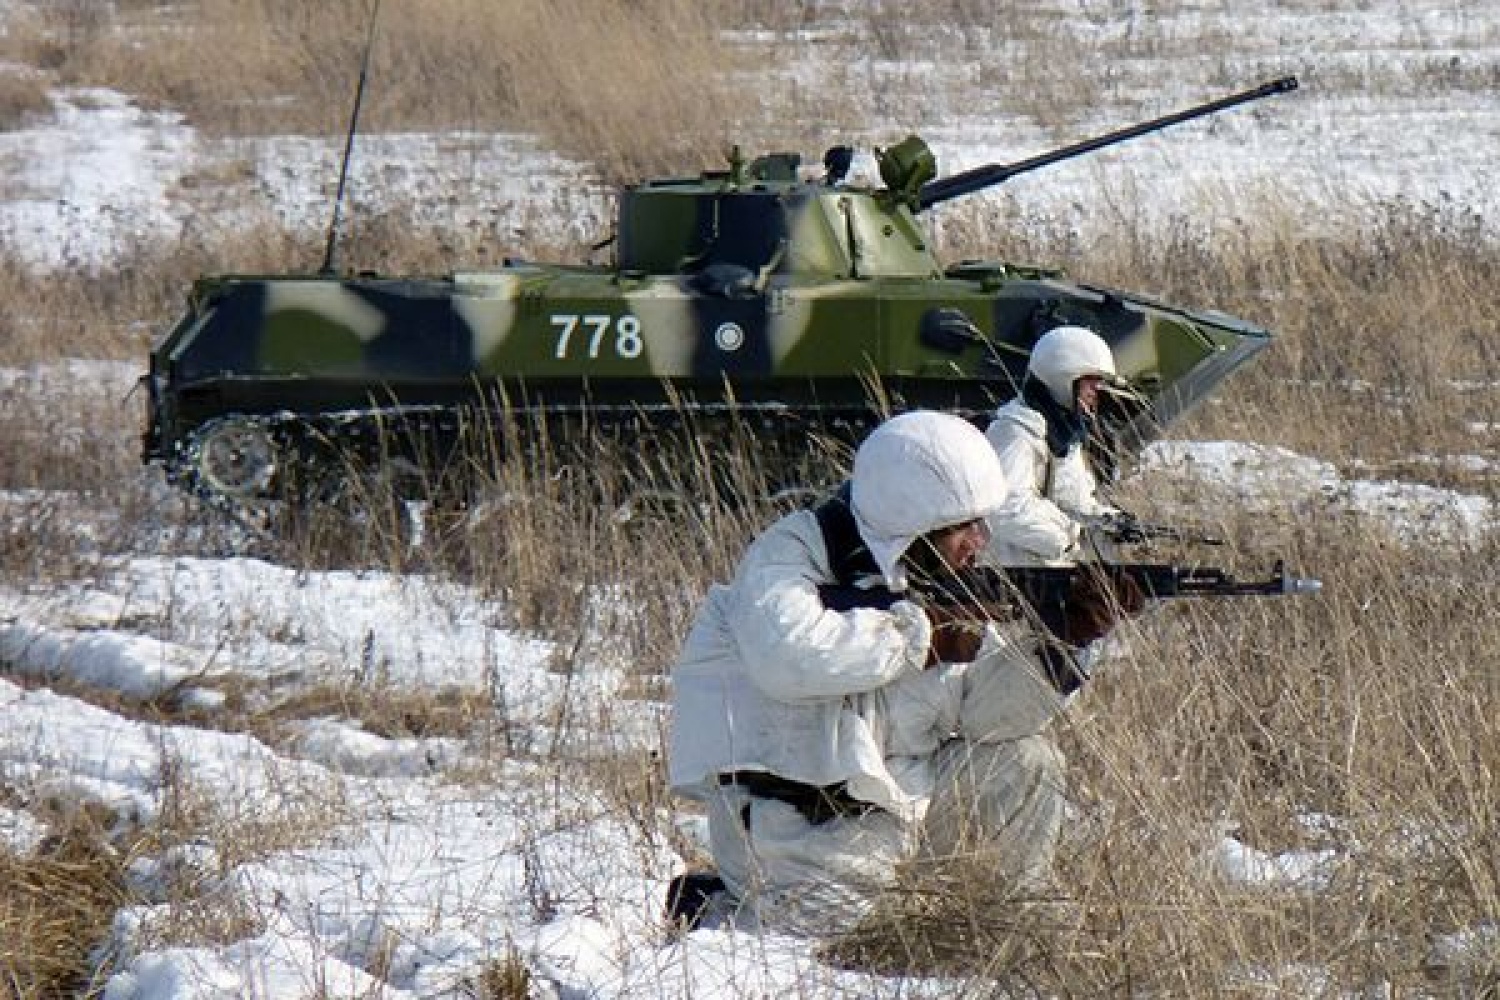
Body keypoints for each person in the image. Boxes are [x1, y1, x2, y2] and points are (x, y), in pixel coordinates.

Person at [667, 410, 1079, 934]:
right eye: (964, 527)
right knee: (853, 952)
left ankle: (1015, 927)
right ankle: (716, 912)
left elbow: (985, 719)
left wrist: (1065, 643)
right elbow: (787, 659)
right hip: (797, 833)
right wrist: (920, 639)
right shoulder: (789, 559)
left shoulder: (938, 577)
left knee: (1026, 761)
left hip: (900, 815)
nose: (980, 540)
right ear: (916, 523)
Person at [983, 324, 1134, 568]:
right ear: (1063, 377)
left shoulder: (1063, 433)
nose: (1097, 391)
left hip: (1049, 568)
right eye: (1090, 381)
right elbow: (1005, 509)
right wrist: (1068, 538)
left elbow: (1068, 498)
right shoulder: (1017, 432)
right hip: (1013, 570)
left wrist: (1108, 521)